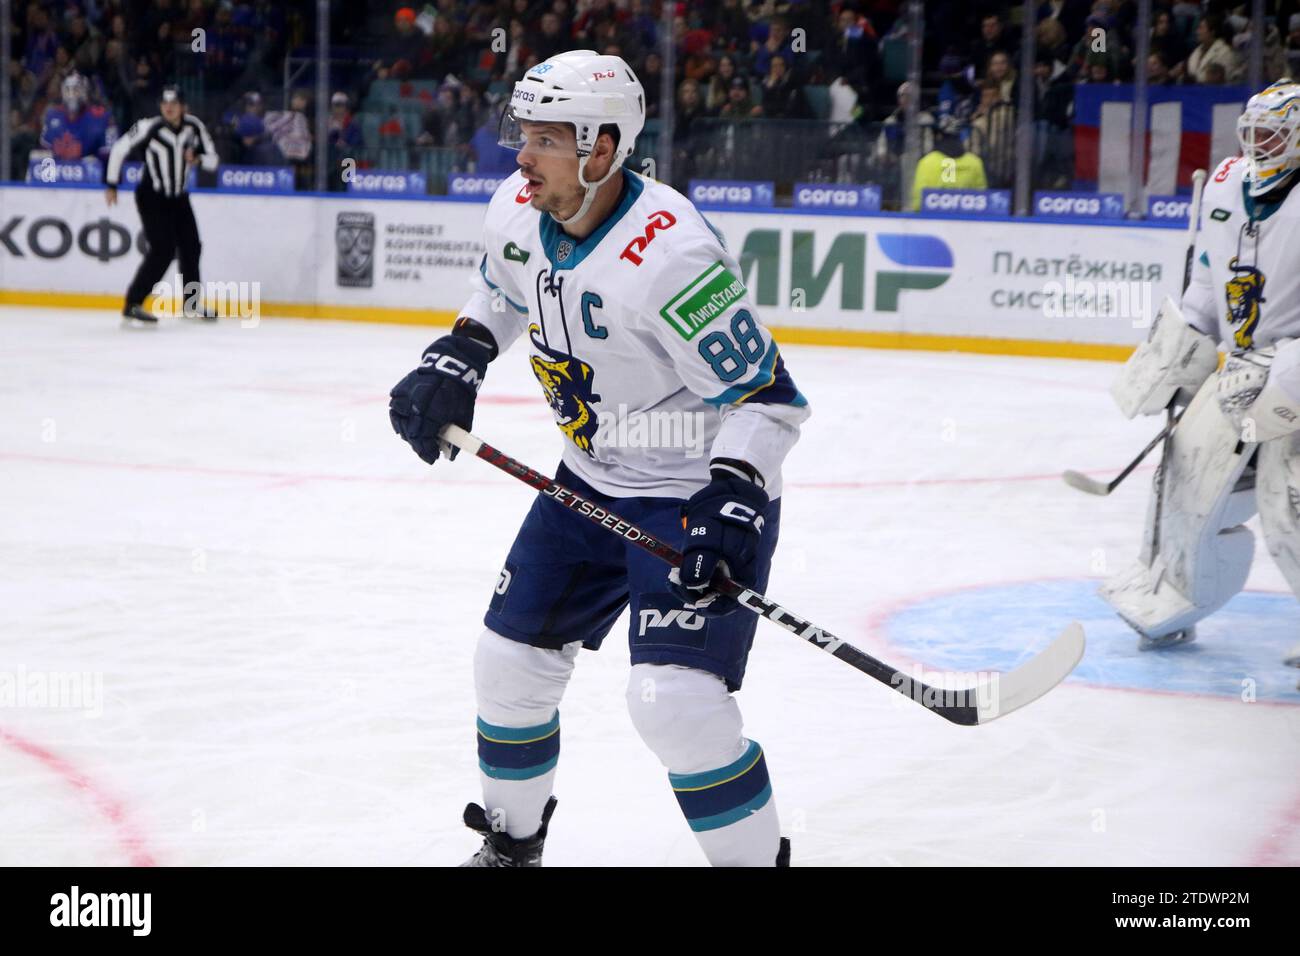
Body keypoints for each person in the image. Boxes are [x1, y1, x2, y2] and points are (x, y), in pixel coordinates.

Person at [388, 50, 809, 867]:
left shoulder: (670, 257)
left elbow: (768, 396)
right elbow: (503, 291)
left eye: (543, 138)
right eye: (524, 133)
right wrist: (461, 353)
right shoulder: (518, 204)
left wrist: (733, 502)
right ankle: (513, 849)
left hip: (695, 491)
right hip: (588, 481)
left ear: (602, 150)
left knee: (674, 703)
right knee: (507, 664)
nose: (520, 156)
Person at [1100, 79, 1300, 680]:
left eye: (1275, 133)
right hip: (1241, 368)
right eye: (1254, 132)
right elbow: (1209, 280)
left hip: (1293, 368)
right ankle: (1173, 604)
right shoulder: (1225, 183)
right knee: (1181, 479)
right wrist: (1182, 348)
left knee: (1287, 501)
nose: (1260, 143)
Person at [104, 85, 218, 323]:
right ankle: (133, 303)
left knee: (191, 247)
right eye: (165, 103)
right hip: (152, 196)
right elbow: (118, 149)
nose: (168, 108)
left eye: (174, 104)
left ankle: (192, 304)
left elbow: (213, 161)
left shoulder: (194, 127)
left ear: (183, 107)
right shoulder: (148, 126)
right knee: (162, 250)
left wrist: (197, 158)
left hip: (179, 196)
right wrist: (112, 184)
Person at [910, 115, 986, 211]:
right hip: (967, 221)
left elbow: (918, 202)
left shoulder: (927, 162)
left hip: (932, 220)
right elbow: (982, 200)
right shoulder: (975, 162)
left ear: (938, 136)